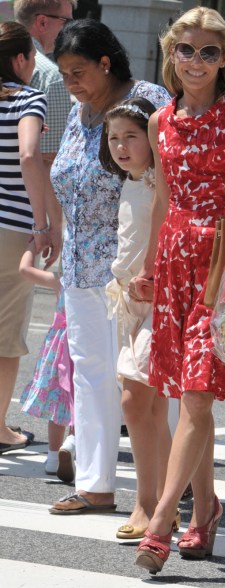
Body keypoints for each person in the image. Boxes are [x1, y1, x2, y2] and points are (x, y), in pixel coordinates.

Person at [129, 6, 225, 574]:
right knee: (189, 392)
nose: (196, 61)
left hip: (224, 259)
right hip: (175, 258)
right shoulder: (161, 121)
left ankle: (162, 520)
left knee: (199, 393)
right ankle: (205, 507)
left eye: (210, 52)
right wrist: (148, 265)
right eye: (187, 50)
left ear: (222, 58)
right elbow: (162, 198)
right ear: (172, 53)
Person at [47, 19, 170, 514]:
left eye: (79, 71)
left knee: (146, 380)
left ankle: (167, 484)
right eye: (64, 74)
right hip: (80, 266)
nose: (72, 82)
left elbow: (166, 180)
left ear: (105, 62)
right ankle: (96, 484)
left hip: (134, 266)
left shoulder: (148, 97)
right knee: (92, 374)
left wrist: (159, 260)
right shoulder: (80, 112)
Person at [100, 97, 177, 542]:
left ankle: (148, 502)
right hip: (129, 304)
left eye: (132, 136)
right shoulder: (129, 183)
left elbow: (165, 234)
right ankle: (165, 500)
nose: (122, 146)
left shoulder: (155, 186)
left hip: (157, 300)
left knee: (135, 401)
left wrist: (152, 277)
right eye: (114, 138)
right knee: (150, 405)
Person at [0, 21, 51, 454]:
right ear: (19, 60)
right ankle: (0, 429)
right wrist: (42, 223)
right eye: (32, 57)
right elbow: (30, 155)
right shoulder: (28, 99)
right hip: (11, 226)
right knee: (6, 332)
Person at [14, 0, 75, 263]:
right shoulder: (51, 77)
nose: (68, 31)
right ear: (42, 22)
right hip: (20, 221)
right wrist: (52, 227)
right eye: (67, 22)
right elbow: (47, 163)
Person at [19, 241, 75, 483]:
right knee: (81, 400)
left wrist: (33, 245)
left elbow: (25, 270)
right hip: (83, 343)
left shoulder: (60, 281)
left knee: (57, 402)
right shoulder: (95, 285)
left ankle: (53, 456)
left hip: (58, 345)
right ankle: (74, 448)